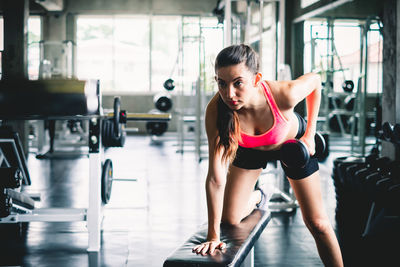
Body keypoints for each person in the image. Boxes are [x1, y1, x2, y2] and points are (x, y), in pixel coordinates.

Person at [192, 44, 343, 266]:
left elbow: (315, 81)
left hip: (290, 147)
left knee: (318, 223)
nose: (229, 94)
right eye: (221, 83)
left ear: (256, 79)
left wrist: (310, 135)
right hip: (250, 150)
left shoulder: (284, 94)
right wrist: (213, 236)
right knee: (230, 219)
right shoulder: (216, 110)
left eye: (238, 83)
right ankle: (261, 196)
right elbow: (215, 177)